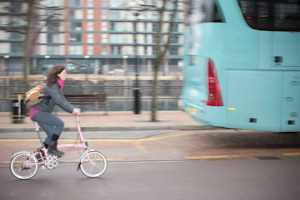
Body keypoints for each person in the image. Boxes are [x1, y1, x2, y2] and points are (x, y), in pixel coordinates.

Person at [30, 65, 80, 157]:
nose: (66, 75)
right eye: (64, 73)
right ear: (58, 74)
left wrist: (72, 109)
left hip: (40, 113)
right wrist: (72, 110)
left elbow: (63, 99)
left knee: (52, 135)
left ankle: (37, 157)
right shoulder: (53, 86)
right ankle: (52, 149)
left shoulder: (56, 86)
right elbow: (59, 101)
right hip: (38, 113)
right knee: (59, 124)